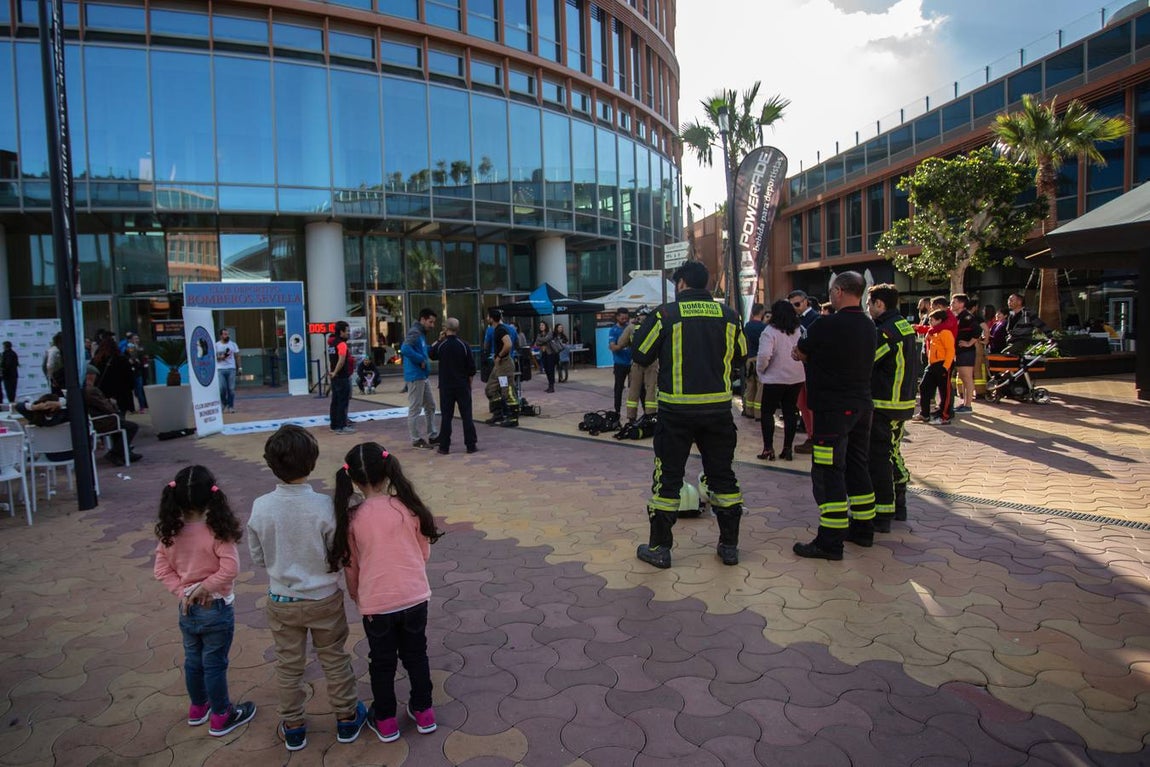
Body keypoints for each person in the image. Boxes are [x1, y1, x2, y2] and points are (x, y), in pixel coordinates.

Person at [247, 425, 369, 752]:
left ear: (271, 464)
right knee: (334, 659)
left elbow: (258, 556)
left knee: (289, 666)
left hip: (282, 598)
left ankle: (294, 726)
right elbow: (338, 554)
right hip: (324, 598)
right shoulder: (325, 507)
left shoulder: (260, 507)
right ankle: (346, 718)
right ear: (312, 462)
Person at [631, 261, 747, 568]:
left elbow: (640, 354)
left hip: (676, 413)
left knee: (667, 479)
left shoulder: (666, 314)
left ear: (681, 283)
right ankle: (729, 546)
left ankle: (659, 548)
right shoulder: (730, 315)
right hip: (719, 412)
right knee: (723, 477)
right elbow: (742, 355)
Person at [329, 442, 444, 742]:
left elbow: (351, 567)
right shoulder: (408, 507)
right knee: (416, 655)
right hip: (415, 596)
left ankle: (386, 720)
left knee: (382, 663)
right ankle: (424, 711)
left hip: (377, 604)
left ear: (353, 479)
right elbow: (423, 554)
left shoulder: (352, 518)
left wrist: (357, 596)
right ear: (388, 469)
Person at [153, 466, 257, 738]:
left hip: (187, 611)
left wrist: (185, 592)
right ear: (212, 495)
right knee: (214, 664)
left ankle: (198, 708)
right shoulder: (217, 531)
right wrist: (204, 588)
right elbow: (230, 569)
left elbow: (161, 570)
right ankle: (222, 714)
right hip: (217, 608)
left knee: (192, 661)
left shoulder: (169, 532)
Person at [791, 271, 877, 561]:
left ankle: (830, 541)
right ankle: (864, 529)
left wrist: (804, 355)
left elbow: (801, 352)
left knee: (828, 472)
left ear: (839, 291)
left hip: (832, 409)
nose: (829, 294)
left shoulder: (825, 325)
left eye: (831, 290)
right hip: (862, 405)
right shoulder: (869, 325)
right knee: (857, 465)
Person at [867, 284, 917, 531]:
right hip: (902, 400)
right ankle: (900, 503)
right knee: (892, 451)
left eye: (870, 304)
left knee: (880, 456)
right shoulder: (903, 326)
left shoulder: (884, 331)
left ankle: (884, 512)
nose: (868, 309)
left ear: (879, 304)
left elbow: (868, 361)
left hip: (885, 402)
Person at [756, 300, 805, 461]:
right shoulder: (798, 330)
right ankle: (787, 448)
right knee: (790, 412)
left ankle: (768, 448)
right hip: (796, 376)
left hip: (774, 377)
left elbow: (764, 355)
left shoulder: (770, 331)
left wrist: (761, 370)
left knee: (767, 412)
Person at [429, 317, 478, 455]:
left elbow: (431, 354)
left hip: (446, 386)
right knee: (467, 415)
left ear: (446, 328)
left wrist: (439, 339)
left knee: (446, 417)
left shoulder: (442, 345)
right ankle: (471, 445)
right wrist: (469, 382)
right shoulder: (464, 345)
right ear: (458, 328)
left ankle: (444, 446)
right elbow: (472, 368)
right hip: (462, 385)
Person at [401, 309, 440, 449]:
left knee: (430, 405)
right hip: (416, 376)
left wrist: (437, 343)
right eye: (430, 322)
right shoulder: (415, 332)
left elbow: (424, 350)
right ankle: (416, 439)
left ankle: (433, 435)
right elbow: (405, 348)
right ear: (422, 319)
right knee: (415, 408)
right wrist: (420, 360)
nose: (432, 325)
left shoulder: (420, 334)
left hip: (422, 376)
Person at [787, 291, 819, 454]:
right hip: (798, 370)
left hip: (809, 369)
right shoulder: (794, 320)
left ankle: (814, 436)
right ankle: (810, 434)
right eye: (791, 305)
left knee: (810, 405)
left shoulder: (815, 318)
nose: (794, 308)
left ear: (806, 302)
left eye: (797, 304)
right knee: (802, 404)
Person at [918, 309, 956, 425]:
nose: (929, 321)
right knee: (924, 387)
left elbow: (950, 351)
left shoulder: (945, 332)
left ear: (939, 320)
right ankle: (924, 414)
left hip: (942, 364)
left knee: (944, 392)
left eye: (932, 319)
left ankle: (945, 417)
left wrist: (945, 366)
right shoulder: (933, 332)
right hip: (933, 364)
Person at [483, 308, 518, 427]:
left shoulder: (501, 330)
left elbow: (508, 344)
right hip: (498, 366)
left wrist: (499, 355)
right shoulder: (495, 329)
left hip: (505, 364)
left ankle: (513, 418)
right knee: (490, 389)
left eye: (488, 316)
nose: (487, 318)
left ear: (491, 318)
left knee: (507, 391)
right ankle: (497, 414)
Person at [623, 308, 658, 424]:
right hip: (652, 362)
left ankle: (631, 417)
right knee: (651, 389)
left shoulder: (631, 328)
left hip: (636, 363)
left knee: (634, 390)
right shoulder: (654, 326)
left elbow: (621, 342)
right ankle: (651, 416)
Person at [951, 294, 983, 413]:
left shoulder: (967, 317)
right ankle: (964, 403)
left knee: (967, 378)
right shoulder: (959, 317)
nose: (952, 304)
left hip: (966, 352)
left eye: (954, 302)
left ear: (961, 304)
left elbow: (978, 330)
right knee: (964, 378)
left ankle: (968, 405)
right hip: (960, 352)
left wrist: (969, 343)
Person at [328, 322, 356, 435]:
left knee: (335, 401)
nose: (348, 333)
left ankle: (334, 425)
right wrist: (335, 372)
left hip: (335, 377)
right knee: (342, 402)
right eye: (347, 331)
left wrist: (333, 373)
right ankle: (341, 426)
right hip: (341, 376)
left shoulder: (331, 344)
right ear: (341, 332)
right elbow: (341, 360)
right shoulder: (341, 344)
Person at [742, 303, 767, 421]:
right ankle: (758, 413)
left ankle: (748, 410)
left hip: (749, 359)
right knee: (760, 387)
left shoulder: (747, 326)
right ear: (762, 313)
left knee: (750, 386)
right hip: (759, 359)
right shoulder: (764, 328)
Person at [607, 308, 632, 417]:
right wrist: (622, 345)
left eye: (626, 318)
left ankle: (636, 413)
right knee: (618, 388)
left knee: (637, 389)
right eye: (622, 318)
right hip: (620, 364)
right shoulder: (613, 330)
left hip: (632, 364)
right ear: (617, 317)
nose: (625, 320)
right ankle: (617, 411)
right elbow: (612, 346)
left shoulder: (631, 328)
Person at [215, 329, 240, 414]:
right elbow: (213, 357)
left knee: (231, 389)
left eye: (228, 334)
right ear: (221, 336)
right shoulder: (216, 345)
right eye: (225, 334)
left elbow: (237, 356)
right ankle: (224, 403)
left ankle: (231, 406)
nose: (227, 336)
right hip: (220, 369)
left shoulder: (233, 344)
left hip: (231, 368)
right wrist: (220, 358)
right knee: (222, 388)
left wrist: (239, 367)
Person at [125, 333, 149, 413]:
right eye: (134, 339)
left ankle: (142, 407)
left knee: (139, 390)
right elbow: (129, 358)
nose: (136, 340)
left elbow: (143, 360)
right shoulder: (129, 348)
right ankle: (133, 408)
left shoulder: (141, 349)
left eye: (137, 338)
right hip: (132, 372)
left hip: (139, 372)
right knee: (135, 390)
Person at [534, 320, 560, 393]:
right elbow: (537, 342)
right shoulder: (539, 334)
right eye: (540, 325)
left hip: (551, 354)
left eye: (542, 325)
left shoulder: (550, 333)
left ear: (545, 326)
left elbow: (547, 339)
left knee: (550, 370)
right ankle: (549, 385)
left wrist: (541, 341)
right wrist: (542, 341)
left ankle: (552, 386)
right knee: (546, 370)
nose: (541, 327)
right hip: (543, 353)